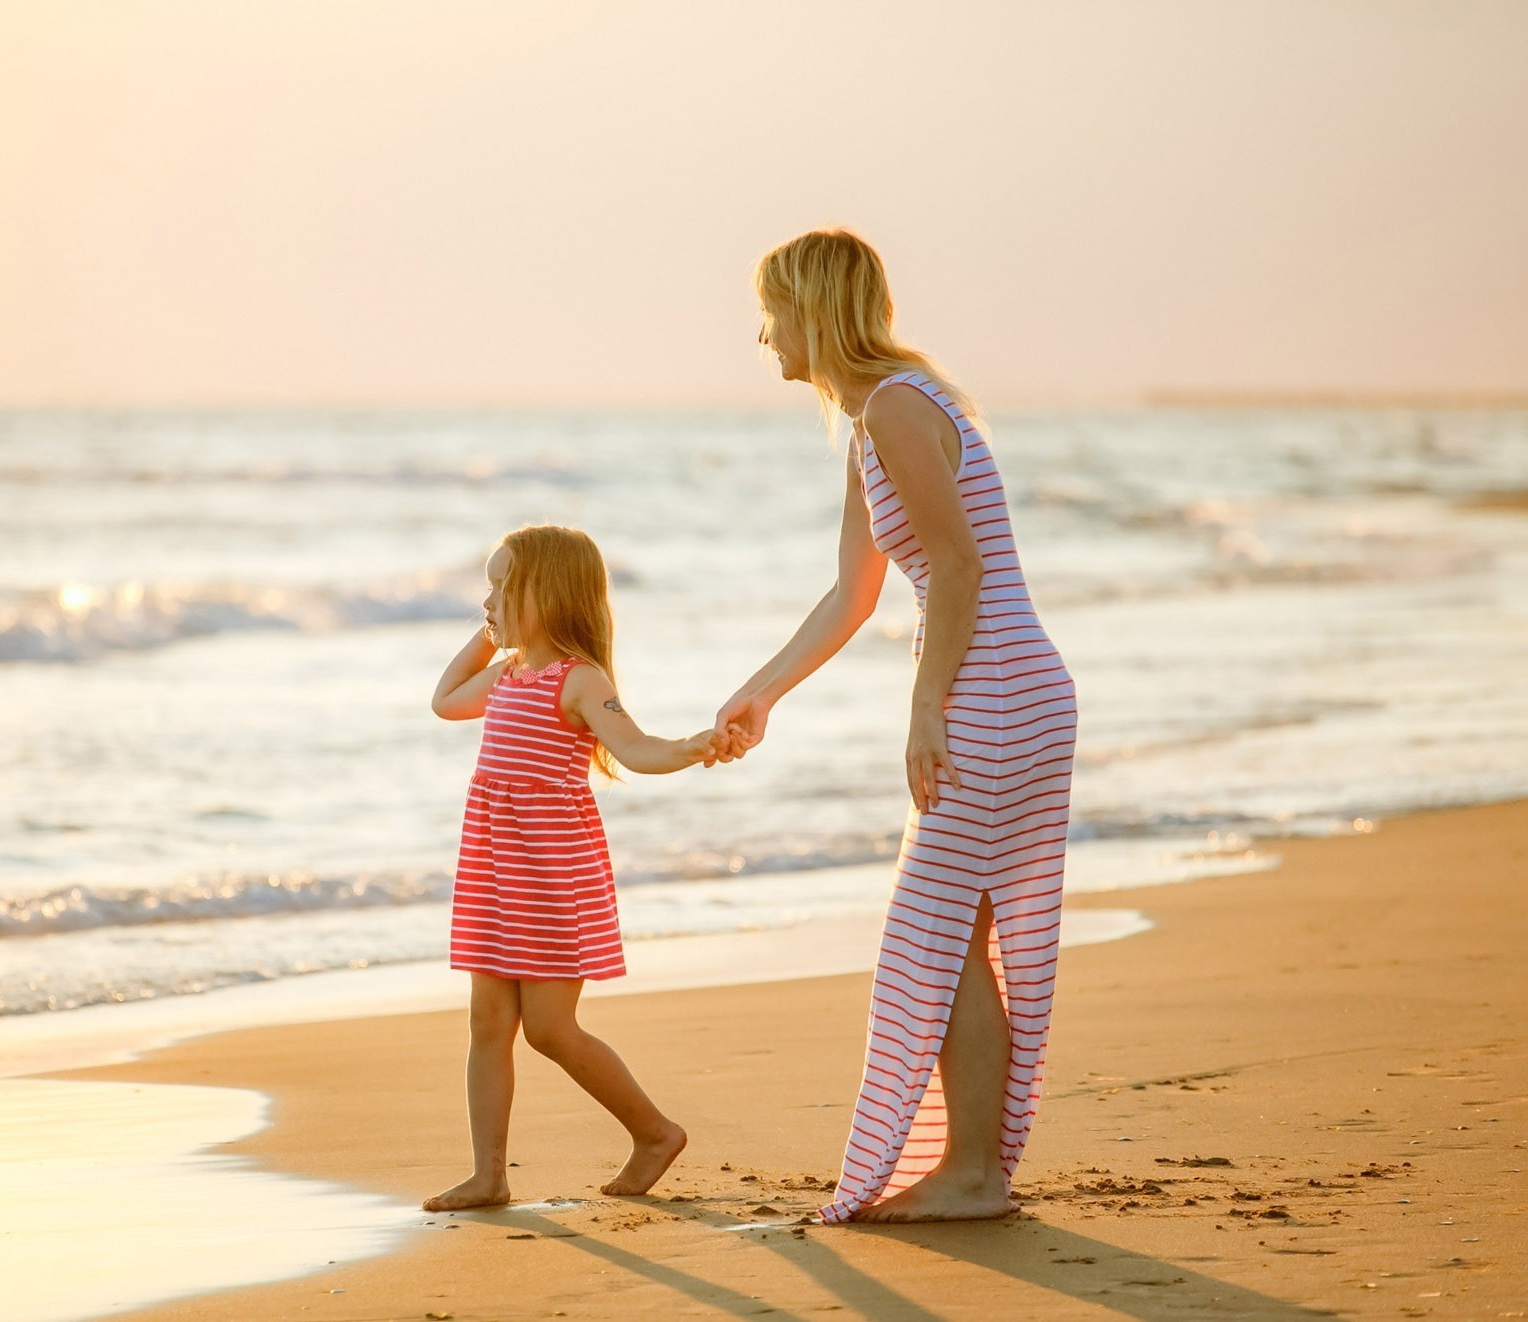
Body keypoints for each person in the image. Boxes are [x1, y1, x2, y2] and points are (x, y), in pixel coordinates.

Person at [715, 229, 1078, 1222]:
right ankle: (973, 1167)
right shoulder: (870, 418)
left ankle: (969, 1170)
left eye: (770, 310)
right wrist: (762, 691)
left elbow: (957, 568)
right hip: (1001, 684)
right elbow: (850, 595)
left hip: (992, 688)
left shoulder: (894, 406)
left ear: (813, 311)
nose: (760, 335)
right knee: (950, 928)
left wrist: (926, 710)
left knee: (933, 931)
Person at [423, 524, 715, 1211]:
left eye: (502, 586)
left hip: (553, 876)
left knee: (551, 1028)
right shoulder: (505, 675)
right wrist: (492, 633)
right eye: (486, 585)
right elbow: (443, 701)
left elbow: (637, 748)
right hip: (494, 871)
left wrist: (694, 747)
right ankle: (488, 1173)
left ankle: (654, 1132)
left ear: (548, 594)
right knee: (488, 1021)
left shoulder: (578, 679)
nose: (487, 599)